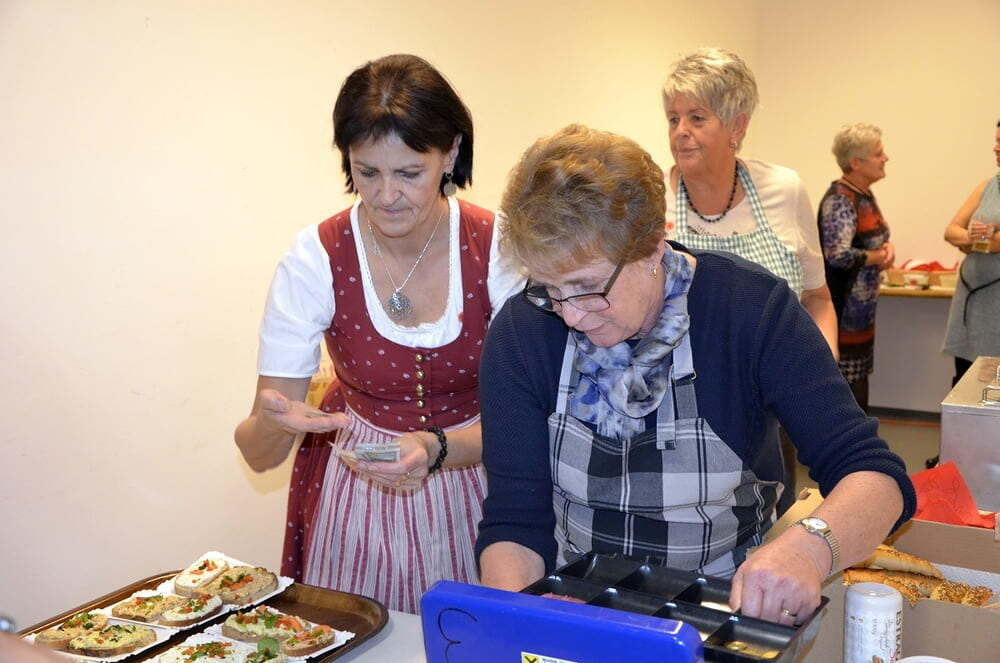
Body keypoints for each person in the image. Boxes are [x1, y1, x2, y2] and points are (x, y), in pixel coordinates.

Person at [476, 125, 915, 626]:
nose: (570, 315)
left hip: (725, 610)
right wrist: (522, 619)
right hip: (578, 613)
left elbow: (876, 478)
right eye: (550, 290)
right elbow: (516, 521)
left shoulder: (749, 311)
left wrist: (808, 549)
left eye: (587, 287)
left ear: (651, 246)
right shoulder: (524, 329)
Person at [234, 54, 523, 613]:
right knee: (362, 633)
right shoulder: (316, 256)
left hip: (482, 480)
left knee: (472, 636)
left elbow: (532, 421)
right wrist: (273, 424)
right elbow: (259, 456)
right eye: (367, 172)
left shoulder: (499, 247)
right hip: (359, 492)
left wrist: (436, 449)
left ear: (450, 154)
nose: (387, 195)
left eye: (409, 173)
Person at [662, 48, 837, 355]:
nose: (680, 132)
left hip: (779, 376)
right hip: (683, 382)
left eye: (697, 118)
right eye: (673, 119)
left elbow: (817, 299)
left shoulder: (784, 189)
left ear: (737, 126)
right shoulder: (652, 199)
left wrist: (825, 365)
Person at [817, 124, 894, 412]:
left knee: (858, 379)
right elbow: (837, 255)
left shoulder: (863, 195)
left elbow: (871, 238)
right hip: (844, 310)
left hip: (860, 314)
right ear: (856, 163)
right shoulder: (841, 199)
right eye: (878, 153)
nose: (886, 158)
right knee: (847, 387)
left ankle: (861, 434)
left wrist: (886, 248)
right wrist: (877, 255)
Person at [942, 119, 1000, 385]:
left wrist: (971, 241)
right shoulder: (986, 186)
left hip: (997, 305)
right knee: (965, 380)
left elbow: (995, 243)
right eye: (996, 140)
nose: (995, 148)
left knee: (994, 385)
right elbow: (951, 230)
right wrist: (971, 237)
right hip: (972, 302)